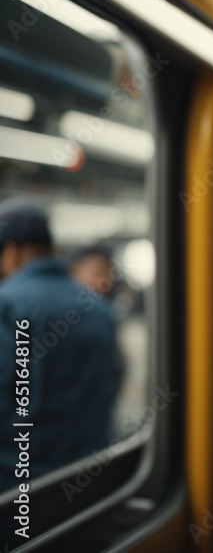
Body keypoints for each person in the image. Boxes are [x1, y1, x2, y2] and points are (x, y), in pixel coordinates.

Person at [0, 200, 122, 490]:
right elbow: (114, 380)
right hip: (87, 478)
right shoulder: (98, 306)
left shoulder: (7, 303)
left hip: (18, 483)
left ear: (11, 251)